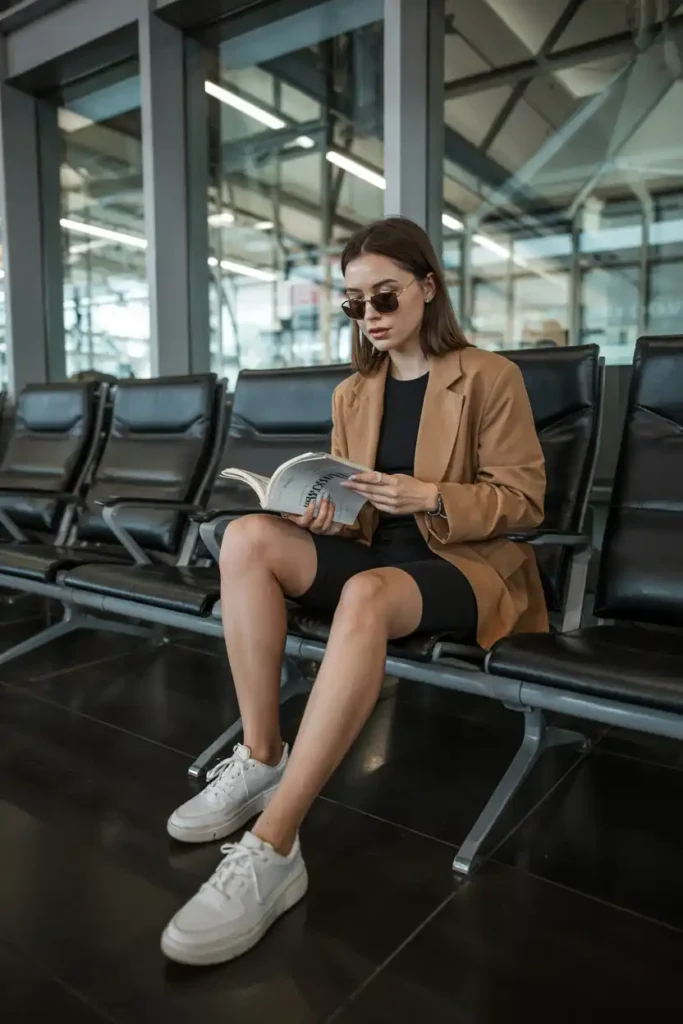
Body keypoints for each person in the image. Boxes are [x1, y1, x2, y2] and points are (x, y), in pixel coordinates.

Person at [161, 216, 548, 966]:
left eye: (385, 296)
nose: (369, 314)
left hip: (464, 566)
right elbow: (358, 508)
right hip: (376, 550)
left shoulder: (489, 376)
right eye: (353, 303)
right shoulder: (354, 392)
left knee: (367, 594)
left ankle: (272, 848)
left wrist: (428, 493)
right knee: (245, 537)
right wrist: (320, 513)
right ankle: (261, 754)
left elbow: (524, 502)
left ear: (427, 289)